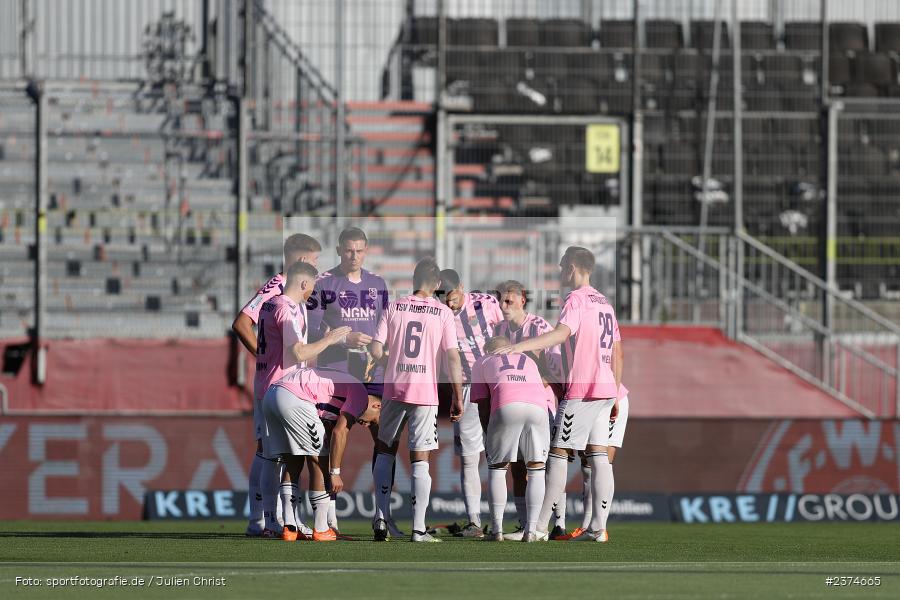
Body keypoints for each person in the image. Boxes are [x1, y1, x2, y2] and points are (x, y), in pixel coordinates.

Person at [493, 246, 623, 543]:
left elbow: (561, 334)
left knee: (557, 455)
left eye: (563, 264)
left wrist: (519, 346)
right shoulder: (604, 302)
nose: (560, 269)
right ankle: (598, 528)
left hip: (583, 388)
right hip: (604, 388)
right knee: (599, 456)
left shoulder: (575, 299)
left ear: (574, 267)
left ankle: (538, 528)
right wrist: (615, 391)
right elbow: (617, 350)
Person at [305, 227, 397, 537]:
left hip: (373, 375)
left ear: (367, 250)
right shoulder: (324, 284)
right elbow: (312, 333)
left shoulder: (377, 284)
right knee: (330, 437)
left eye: (358, 250)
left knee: (385, 441)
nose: (353, 255)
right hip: (338, 373)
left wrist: (380, 351)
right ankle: (328, 519)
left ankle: (382, 516)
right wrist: (345, 340)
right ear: (339, 250)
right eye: (348, 250)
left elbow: (389, 330)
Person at [370, 258, 465, 542]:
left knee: (385, 449)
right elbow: (452, 357)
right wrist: (458, 395)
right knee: (420, 458)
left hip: (395, 387)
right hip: (424, 392)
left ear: (414, 280)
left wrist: (391, 359)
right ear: (437, 285)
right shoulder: (443, 312)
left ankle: (380, 517)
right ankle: (418, 528)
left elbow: (376, 349)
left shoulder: (394, 306)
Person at [254, 261, 350, 539]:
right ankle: (292, 523)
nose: (313, 292)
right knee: (308, 453)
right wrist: (329, 340)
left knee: (277, 457)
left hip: (268, 386)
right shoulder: (286, 308)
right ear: (304, 283)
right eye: (313, 286)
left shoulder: (271, 304)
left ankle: (281, 523)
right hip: (285, 389)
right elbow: (297, 352)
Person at [233, 234, 321, 537]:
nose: (316, 266)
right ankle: (261, 519)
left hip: (288, 382)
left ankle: (277, 519)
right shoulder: (279, 286)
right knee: (271, 451)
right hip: (277, 383)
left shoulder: (298, 294)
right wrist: (265, 356)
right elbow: (242, 322)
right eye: (313, 259)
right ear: (301, 258)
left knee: (278, 452)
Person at [493, 280, 565, 540]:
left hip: (541, 403)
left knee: (544, 465)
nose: (503, 306)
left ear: (522, 300)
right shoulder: (499, 329)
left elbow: (555, 368)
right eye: (500, 300)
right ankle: (525, 524)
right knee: (517, 466)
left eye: (508, 300)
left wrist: (530, 382)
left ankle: (558, 522)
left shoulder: (539, 327)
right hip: (513, 403)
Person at [436, 269, 503, 538]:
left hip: (497, 383)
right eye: (445, 300)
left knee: (506, 455)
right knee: (469, 458)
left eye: (452, 297)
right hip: (465, 386)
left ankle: (512, 521)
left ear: (461, 287)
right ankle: (474, 521)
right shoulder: (440, 314)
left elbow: (505, 332)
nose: (450, 304)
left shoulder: (486, 303)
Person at [261, 366, 362, 542]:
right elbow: (339, 432)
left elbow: (327, 430)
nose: (364, 424)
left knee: (292, 461)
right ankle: (322, 529)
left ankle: (290, 528)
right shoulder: (360, 394)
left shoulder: (335, 392)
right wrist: (334, 473)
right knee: (318, 462)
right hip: (294, 397)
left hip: (272, 395)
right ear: (377, 405)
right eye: (367, 420)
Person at [471, 336, 552, 542]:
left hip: (507, 405)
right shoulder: (529, 360)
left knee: (498, 468)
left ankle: (497, 530)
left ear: (490, 350)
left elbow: (482, 404)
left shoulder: (483, 361)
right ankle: (531, 531)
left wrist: (488, 433)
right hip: (538, 408)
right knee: (536, 470)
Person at [557, 383, 630, 540]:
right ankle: (589, 527)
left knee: (601, 460)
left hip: (605, 399)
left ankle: (598, 528)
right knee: (589, 461)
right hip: (593, 398)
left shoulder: (553, 361)